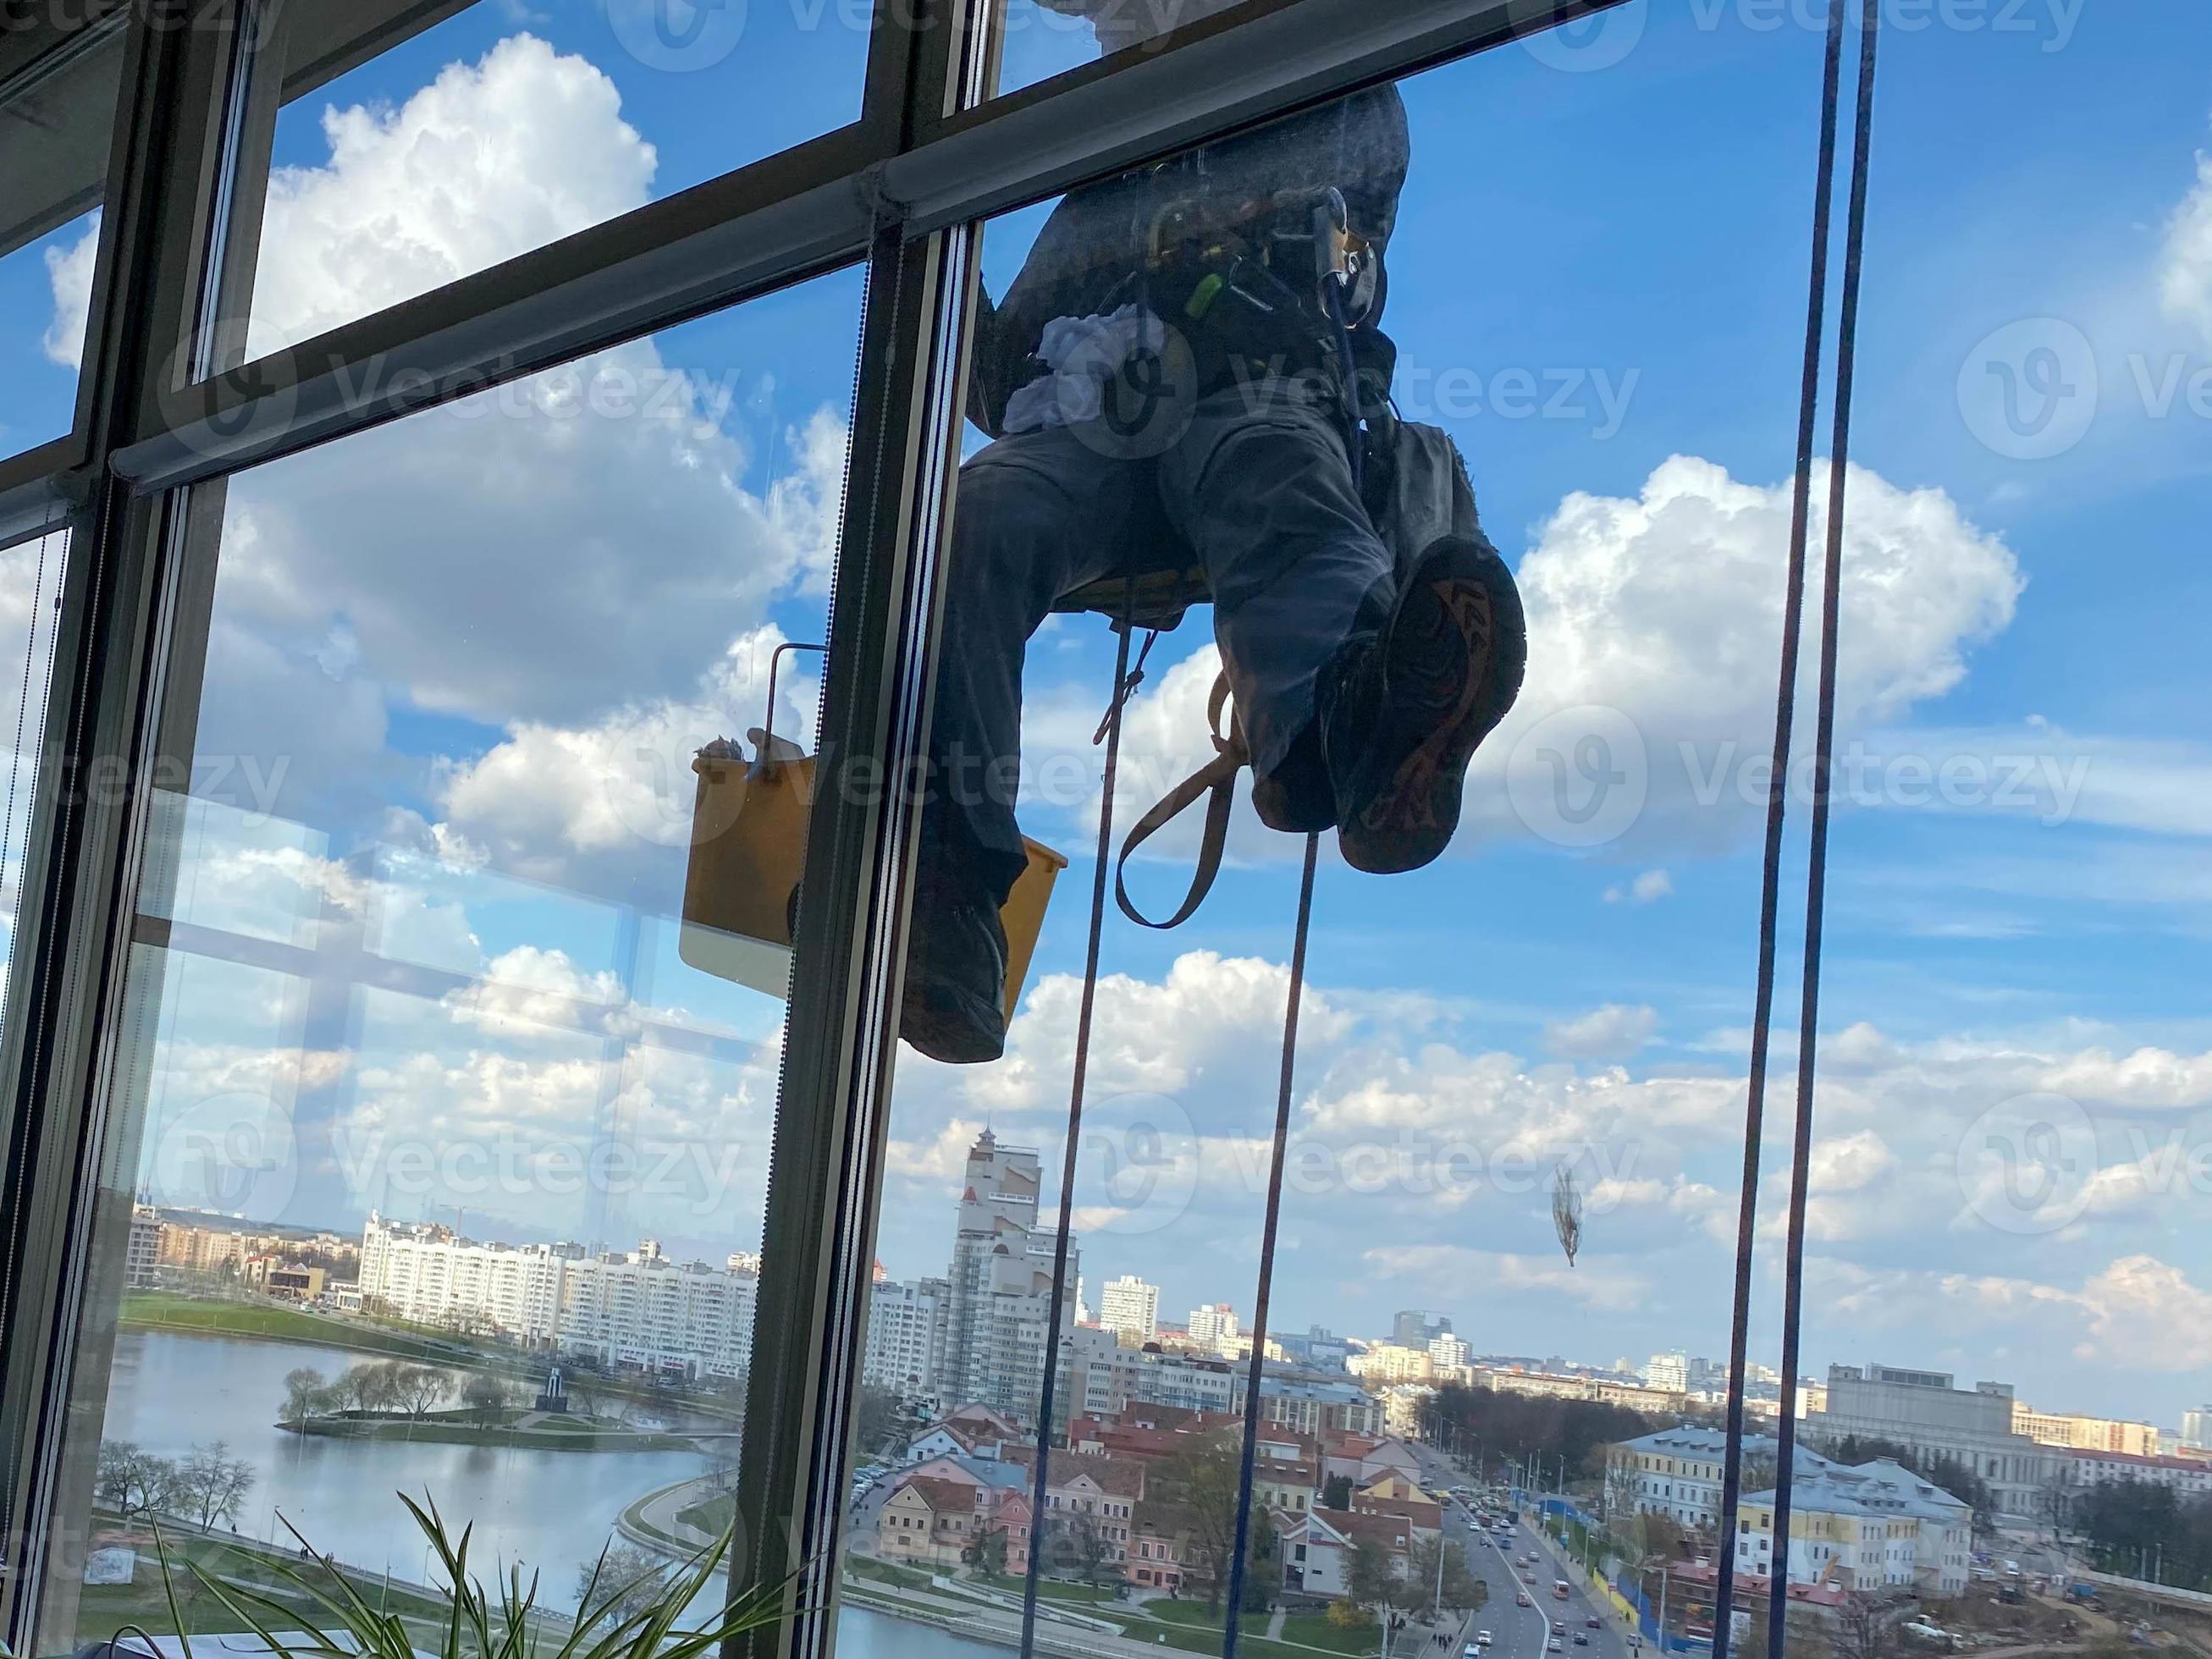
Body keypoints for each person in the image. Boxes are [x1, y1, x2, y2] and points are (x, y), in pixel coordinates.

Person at [901, 0, 1527, 1065]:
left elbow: (1349, 216)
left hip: (1246, 392)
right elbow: (1004, 375)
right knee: (973, 518)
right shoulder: (1111, 165)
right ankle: (948, 904)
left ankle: (1339, 736)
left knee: (1281, 488)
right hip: (1099, 420)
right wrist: (939, 274)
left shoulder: (1335, 100)